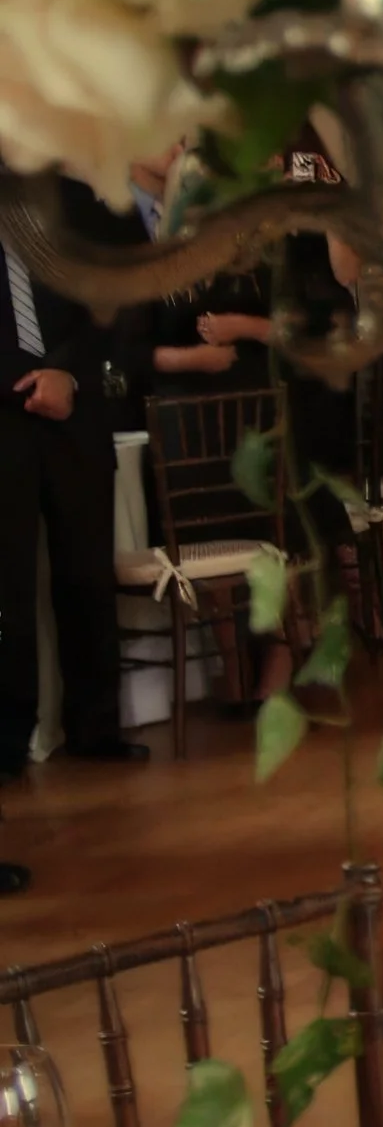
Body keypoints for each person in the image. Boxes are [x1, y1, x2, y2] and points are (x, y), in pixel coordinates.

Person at [0, 186, 145, 793]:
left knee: (86, 571)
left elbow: (109, 300)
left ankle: (96, 727)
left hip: (75, 406)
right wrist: (22, 377)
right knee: (6, 584)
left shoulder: (66, 202)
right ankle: (10, 740)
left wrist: (67, 372)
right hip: (4, 411)